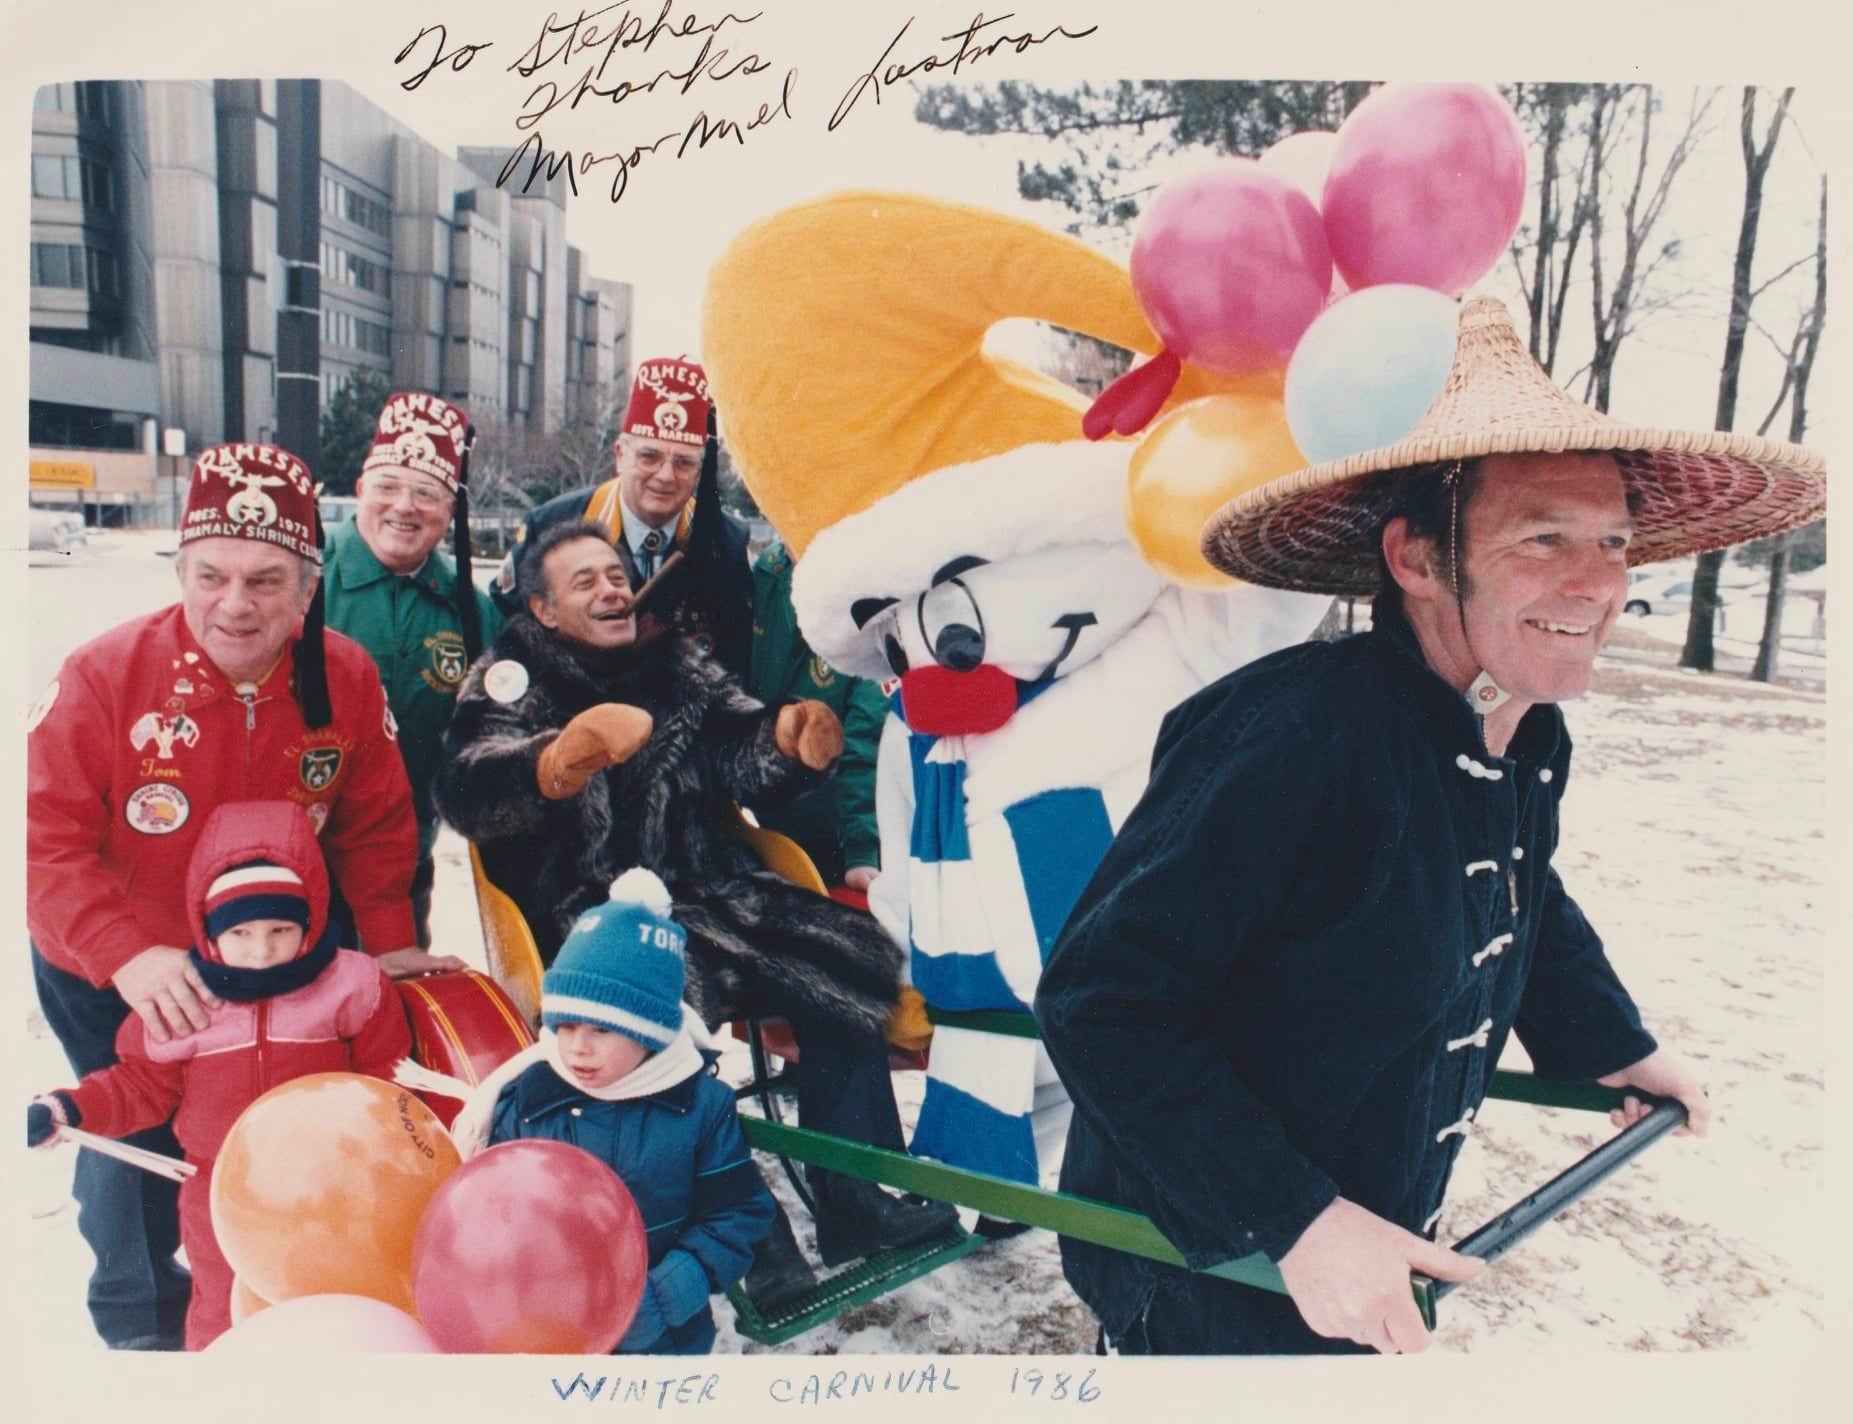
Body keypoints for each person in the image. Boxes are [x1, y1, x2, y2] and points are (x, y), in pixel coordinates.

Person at [1038, 296, 1823, 1356]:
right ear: (1414, 559)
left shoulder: (1517, 727)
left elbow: (1516, 887)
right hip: (1208, 1260)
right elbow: (1102, 1001)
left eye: (1611, 540)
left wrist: (1610, 1044)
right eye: (1542, 537)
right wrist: (1296, 1220)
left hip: (1364, 1243)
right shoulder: (1292, 734)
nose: (1596, 583)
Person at [435, 521, 958, 1300]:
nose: (611, 590)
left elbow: (731, 747)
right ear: (542, 610)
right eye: (585, 582)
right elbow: (468, 788)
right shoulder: (511, 676)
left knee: (840, 954)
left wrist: (784, 743)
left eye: (615, 575)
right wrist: (552, 763)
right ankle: (747, 1238)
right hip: (587, 913)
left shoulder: (672, 659)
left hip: (710, 886)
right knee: (663, 1007)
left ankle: (858, 1201)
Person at [27, 440, 441, 1351]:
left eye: (265, 581)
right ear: (179, 571)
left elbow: (376, 829)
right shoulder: (106, 677)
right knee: (138, 1128)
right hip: (123, 956)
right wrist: (125, 956)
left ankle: (288, 1293)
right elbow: (47, 846)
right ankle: (142, 1330)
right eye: (209, 576)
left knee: (291, 1130)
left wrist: (383, 944)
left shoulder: (344, 678)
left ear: (305, 587)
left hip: (276, 956)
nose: (235, 605)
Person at [27, 800, 413, 1350]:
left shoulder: (351, 986)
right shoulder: (185, 1000)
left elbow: (392, 1083)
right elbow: (139, 1085)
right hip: (222, 1188)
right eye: (241, 934)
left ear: (312, 917)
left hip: (331, 1184)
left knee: (332, 1304)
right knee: (223, 1307)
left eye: (281, 929)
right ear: (208, 929)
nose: (261, 952)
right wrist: (69, 1108)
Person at [445, 868, 775, 1355]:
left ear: (648, 1030)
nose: (577, 1049)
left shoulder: (700, 1106)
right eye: (566, 1027)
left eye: (602, 1030)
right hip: (547, 1327)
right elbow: (496, 1211)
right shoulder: (533, 1098)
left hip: (660, 1337)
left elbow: (737, 1213)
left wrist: (664, 1295)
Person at [323, 391, 503, 945]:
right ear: (359, 491)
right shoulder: (304, 574)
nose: (404, 506)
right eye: (388, 487)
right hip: (291, 856)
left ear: (451, 511)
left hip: (404, 853)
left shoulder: (471, 608)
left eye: (427, 492)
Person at [492, 358, 753, 679]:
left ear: (700, 470)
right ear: (619, 456)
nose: (665, 476)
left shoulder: (725, 541)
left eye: (684, 463)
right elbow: (509, 639)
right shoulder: (551, 526)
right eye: (649, 456)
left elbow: (735, 657)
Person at [746, 538, 886, 890]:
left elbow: (865, 739)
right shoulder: (766, 572)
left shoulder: (870, 599)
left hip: (823, 837)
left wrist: (862, 850)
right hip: (746, 826)